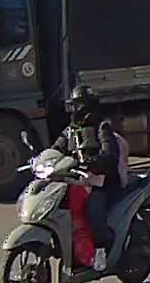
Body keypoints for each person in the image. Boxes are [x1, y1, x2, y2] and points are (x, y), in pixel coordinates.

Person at [52, 85, 122, 271]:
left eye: (78, 105)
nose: (74, 110)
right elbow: (56, 149)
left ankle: (101, 250)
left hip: (102, 183)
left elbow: (111, 155)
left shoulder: (102, 127)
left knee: (93, 209)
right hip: (77, 180)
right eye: (73, 105)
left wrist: (95, 162)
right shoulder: (70, 130)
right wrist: (43, 159)